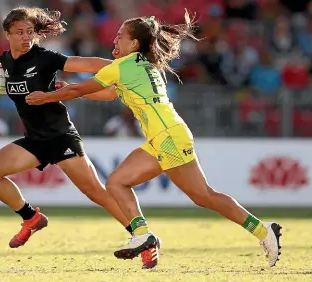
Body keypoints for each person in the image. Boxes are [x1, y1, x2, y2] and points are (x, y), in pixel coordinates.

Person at [26, 11, 282, 269]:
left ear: (134, 44)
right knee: (117, 182)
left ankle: (263, 231)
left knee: (204, 196)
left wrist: (46, 96)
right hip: (164, 135)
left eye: (120, 37)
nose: (114, 41)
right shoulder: (142, 66)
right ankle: (143, 234)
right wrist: (64, 89)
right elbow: (106, 94)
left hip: (167, 137)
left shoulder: (122, 67)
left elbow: (83, 89)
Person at [0, 6, 136, 260]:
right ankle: (31, 218)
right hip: (35, 140)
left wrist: (124, 66)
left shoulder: (45, 57)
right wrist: (0, 89)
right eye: (19, 32)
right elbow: (21, 89)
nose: (26, 37)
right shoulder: (5, 61)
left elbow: (88, 63)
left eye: (29, 31)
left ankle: (141, 235)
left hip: (60, 136)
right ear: (7, 34)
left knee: (95, 191)